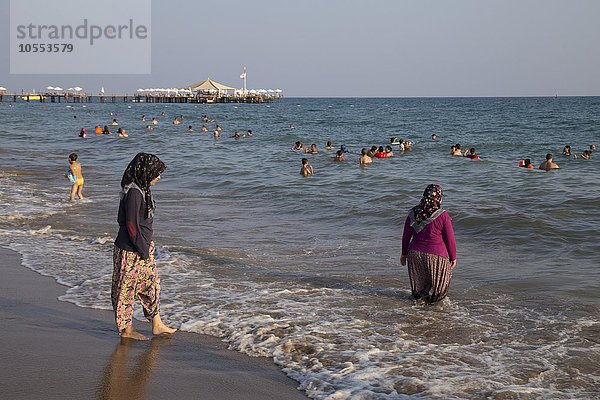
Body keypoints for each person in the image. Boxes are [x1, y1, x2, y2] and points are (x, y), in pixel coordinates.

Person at [112, 153, 177, 340]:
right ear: (146, 172)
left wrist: (146, 248)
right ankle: (126, 330)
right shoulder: (133, 192)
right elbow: (131, 224)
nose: (158, 177)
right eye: (156, 173)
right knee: (125, 289)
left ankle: (157, 324)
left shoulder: (141, 189)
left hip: (141, 248)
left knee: (151, 285)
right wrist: (142, 249)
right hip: (130, 249)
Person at [400, 184, 456, 303]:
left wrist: (404, 254)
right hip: (436, 256)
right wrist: (453, 257)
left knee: (419, 290)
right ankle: (433, 314)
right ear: (439, 198)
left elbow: (406, 236)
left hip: (414, 254)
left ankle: (419, 313)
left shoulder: (413, 213)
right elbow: (449, 239)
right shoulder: (443, 215)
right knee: (439, 291)